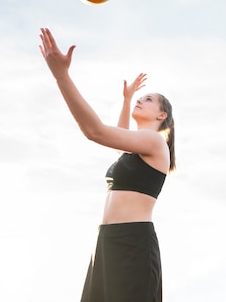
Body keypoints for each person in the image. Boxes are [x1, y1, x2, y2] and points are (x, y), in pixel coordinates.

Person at [38, 27, 175, 302]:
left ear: (162, 114)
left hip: (132, 242)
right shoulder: (136, 147)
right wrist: (126, 100)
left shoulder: (155, 143)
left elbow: (96, 132)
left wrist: (61, 75)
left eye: (147, 99)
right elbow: (117, 141)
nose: (141, 99)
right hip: (106, 242)